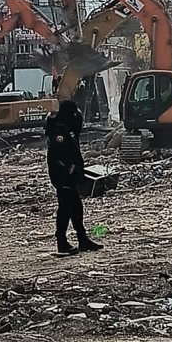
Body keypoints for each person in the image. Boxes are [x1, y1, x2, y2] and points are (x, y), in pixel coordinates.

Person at [46, 100, 103, 256]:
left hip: (70, 175)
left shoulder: (66, 128)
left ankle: (82, 239)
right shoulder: (59, 131)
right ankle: (62, 242)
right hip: (63, 176)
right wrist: (68, 168)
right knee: (65, 209)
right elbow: (58, 154)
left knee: (75, 207)